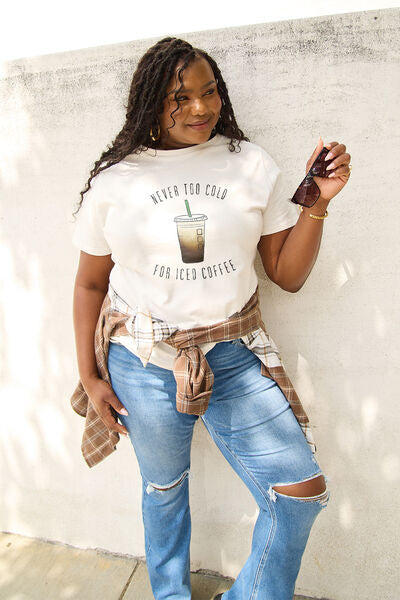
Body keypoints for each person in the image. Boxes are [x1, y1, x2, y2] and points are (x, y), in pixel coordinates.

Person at [71, 37, 351, 600]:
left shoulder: (249, 163)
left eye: (209, 91)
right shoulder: (116, 180)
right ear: (150, 102)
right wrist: (90, 375)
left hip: (234, 356)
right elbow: (90, 284)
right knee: (164, 489)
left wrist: (318, 201)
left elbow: (286, 273)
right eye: (180, 97)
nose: (200, 108)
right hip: (144, 361)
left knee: (299, 492)